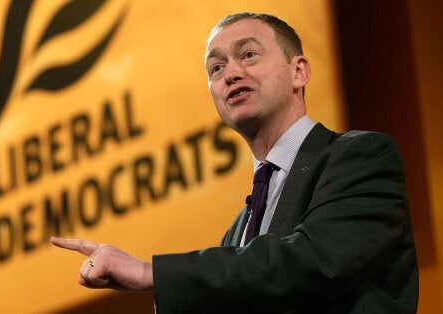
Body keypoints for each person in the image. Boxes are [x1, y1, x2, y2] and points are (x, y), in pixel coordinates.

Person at [51, 12, 419, 313]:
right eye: (215, 68)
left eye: (248, 55)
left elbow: (316, 261)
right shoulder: (238, 232)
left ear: (299, 71)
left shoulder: (359, 156)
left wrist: (152, 272)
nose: (230, 73)